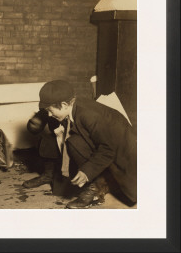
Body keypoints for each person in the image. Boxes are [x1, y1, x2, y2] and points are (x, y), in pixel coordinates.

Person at [38, 80, 137, 209]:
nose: (49, 114)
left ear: (63, 104)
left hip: (125, 152)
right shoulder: (74, 108)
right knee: (73, 142)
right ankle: (99, 181)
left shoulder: (88, 115)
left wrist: (87, 172)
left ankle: (98, 187)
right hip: (110, 144)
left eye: (50, 110)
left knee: (75, 143)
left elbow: (108, 148)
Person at [22, 109, 62, 189]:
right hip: (59, 129)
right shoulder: (49, 99)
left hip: (77, 131)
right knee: (47, 140)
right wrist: (38, 119)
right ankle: (48, 175)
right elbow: (45, 109)